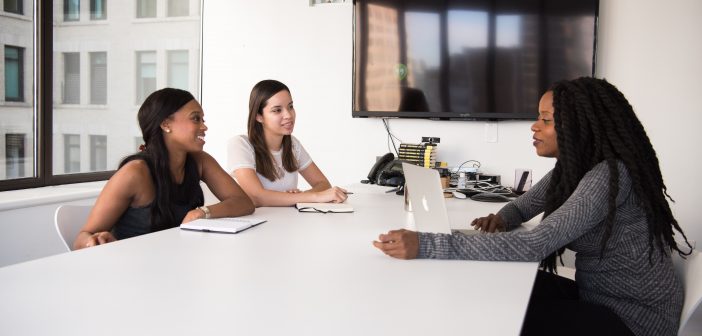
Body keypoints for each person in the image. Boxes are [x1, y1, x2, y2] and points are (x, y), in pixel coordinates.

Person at [372, 77, 692, 336]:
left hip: (631, 320)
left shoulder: (608, 175)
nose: (534, 126)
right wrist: (500, 218)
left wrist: (426, 244)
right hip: (598, 296)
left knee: (500, 313)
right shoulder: (572, 169)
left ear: (580, 126)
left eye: (546, 119)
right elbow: (522, 208)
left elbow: (535, 244)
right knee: (498, 286)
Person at [74, 88, 254, 249]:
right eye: (195, 118)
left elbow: (243, 202)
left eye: (202, 119)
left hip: (175, 264)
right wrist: (94, 242)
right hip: (135, 270)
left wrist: (202, 213)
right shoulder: (134, 173)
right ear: (166, 124)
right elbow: (81, 239)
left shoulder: (200, 161)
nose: (204, 126)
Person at [228, 79, 347, 207]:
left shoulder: (293, 145)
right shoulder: (241, 144)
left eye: (290, 106)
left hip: (287, 222)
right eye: (277, 110)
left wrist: (298, 197)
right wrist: (308, 197)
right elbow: (257, 197)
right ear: (259, 116)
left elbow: (323, 184)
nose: (288, 115)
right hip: (257, 224)